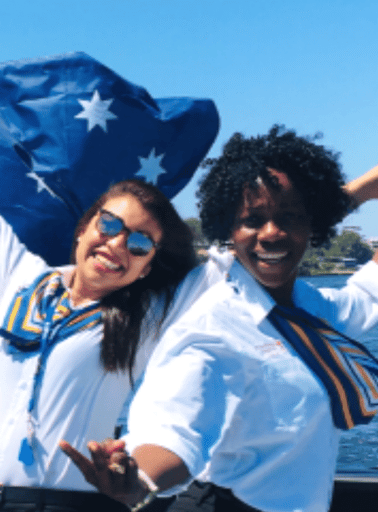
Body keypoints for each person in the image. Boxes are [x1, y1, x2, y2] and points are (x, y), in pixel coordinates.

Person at [0, 82, 227, 511]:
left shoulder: (147, 319)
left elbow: (227, 267)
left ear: (147, 266)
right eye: (109, 225)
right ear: (83, 229)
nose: (116, 245)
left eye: (139, 244)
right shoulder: (21, 277)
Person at [61, 126, 378, 512]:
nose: (271, 233)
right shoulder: (210, 328)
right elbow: (173, 425)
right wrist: (138, 478)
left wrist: (364, 187)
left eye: (291, 217)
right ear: (229, 229)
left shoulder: (312, 310)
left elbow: (367, 293)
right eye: (253, 219)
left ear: (313, 225)